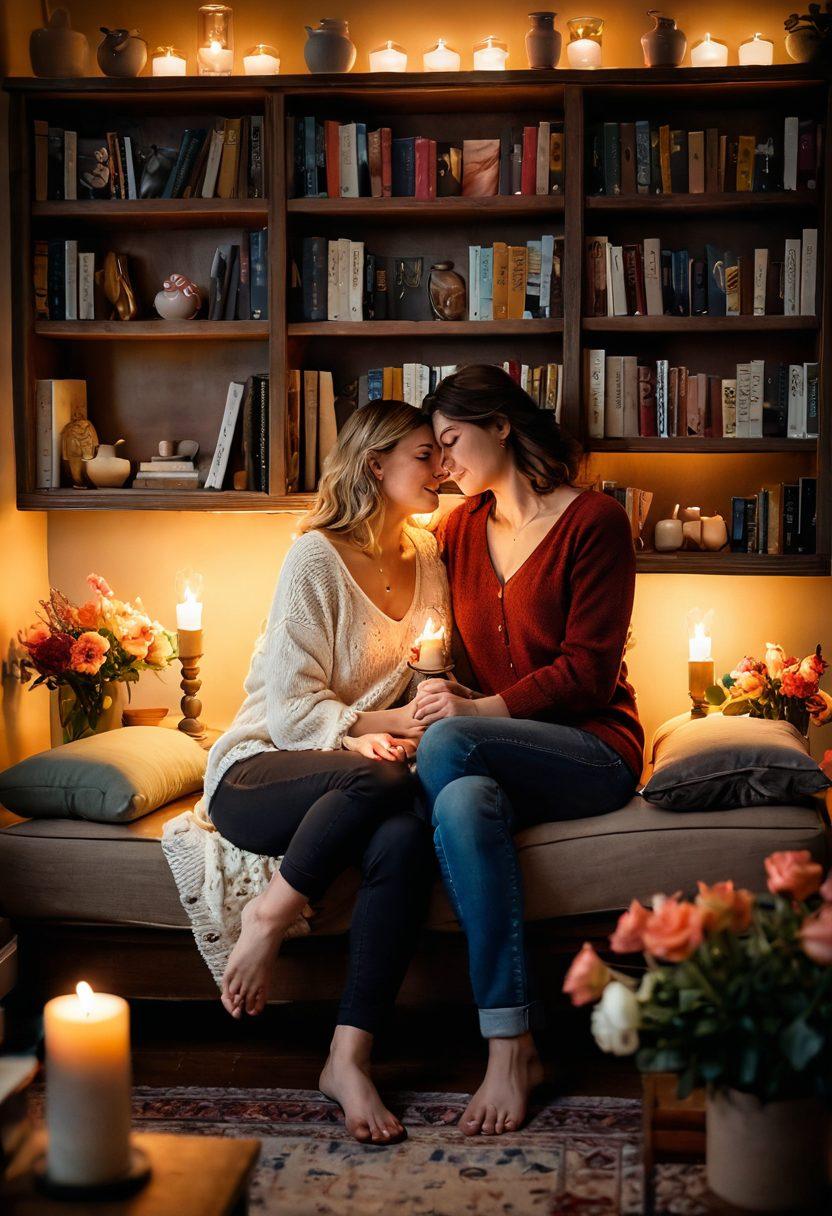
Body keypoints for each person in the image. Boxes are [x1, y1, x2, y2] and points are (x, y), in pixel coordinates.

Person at [201, 401, 449, 1144]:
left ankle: (347, 1058)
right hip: (261, 769)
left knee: (404, 839)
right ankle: (267, 917)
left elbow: (423, 672)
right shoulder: (314, 556)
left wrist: (428, 711)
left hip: (371, 772)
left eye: (442, 455)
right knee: (375, 783)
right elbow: (288, 706)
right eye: (423, 456)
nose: (440, 469)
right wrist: (378, 727)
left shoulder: (428, 555)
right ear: (377, 466)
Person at [415, 364, 644, 1138]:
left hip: (592, 749)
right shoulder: (454, 531)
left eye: (452, 441)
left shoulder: (596, 522)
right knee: (462, 798)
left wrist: (473, 710)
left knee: (450, 747)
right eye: (434, 451)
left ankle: (510, 1053)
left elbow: (588, 672)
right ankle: (512, 1043)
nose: (444, 464)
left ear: (502, 424)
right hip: (492, 758)